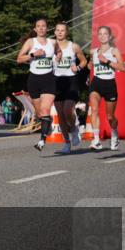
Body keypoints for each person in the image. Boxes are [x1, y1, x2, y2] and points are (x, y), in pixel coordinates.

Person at [17, 18, 58, 151]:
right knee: (41, 114)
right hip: (34, 80)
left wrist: (58, 57)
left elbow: (59, 52)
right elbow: (19, 59)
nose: (41, 28)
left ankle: (41, 141)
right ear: (35, 29)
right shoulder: (30, 42)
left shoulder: (53, 42)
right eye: (38, 26)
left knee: (46, 110)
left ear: (47, 29)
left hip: (49, 79)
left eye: (43, 26)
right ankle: (47, 122)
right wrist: (34, 54)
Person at [52, 22, 88, 154]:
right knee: (60, 115)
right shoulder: (50, 46)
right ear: (54, 32)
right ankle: (66, 142)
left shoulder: (73, 46)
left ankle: (74, 129)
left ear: (67, 32)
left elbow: (84, 61)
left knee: (67, 109)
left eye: (63, 30)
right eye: (58, 30)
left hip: (71, 80)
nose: (60, 32)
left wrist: (77, 67)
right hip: (56, 82)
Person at [88, 25, 123, 151]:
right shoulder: (93, 51)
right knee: (94, 108)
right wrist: (90, 64)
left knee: (110, 117)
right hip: (96, 82)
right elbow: (90, 66)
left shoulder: (114, 51)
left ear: (109, 36)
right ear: (98, 36)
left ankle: (115, 135)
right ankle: (96, 140)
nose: (102, 36)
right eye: (100, 34)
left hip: (109, 84)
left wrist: (107, 61)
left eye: (105, 34)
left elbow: (122, 67)